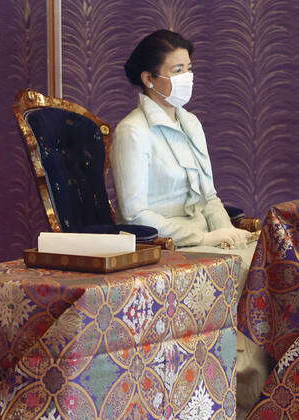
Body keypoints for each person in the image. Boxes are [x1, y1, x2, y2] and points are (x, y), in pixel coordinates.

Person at [110, 30, 268, 418]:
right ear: (149, 78)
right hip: (166, 242)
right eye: (176, 70)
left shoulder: (191, 122)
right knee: (241, 267)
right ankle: (240, 393)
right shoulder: (132, 131)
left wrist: (228, 233)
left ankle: (276, 383)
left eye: (189, 68)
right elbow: (135, 214)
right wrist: (207, 236)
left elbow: (210, 197)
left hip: (206, 232)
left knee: (269, 257)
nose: (187, 78)